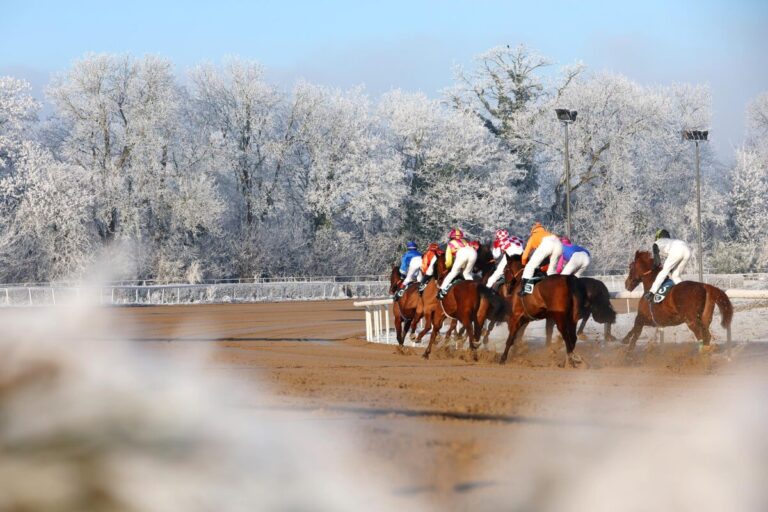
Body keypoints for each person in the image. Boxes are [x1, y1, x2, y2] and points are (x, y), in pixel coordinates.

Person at [644, 229, 692, 301]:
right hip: (687, 250)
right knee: (675, 275)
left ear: (658, 237)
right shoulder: (670, 242)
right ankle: (684, 292)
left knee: (663, 272)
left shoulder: (656, 243)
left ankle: (651, 292)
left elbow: (657, 262)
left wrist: (654, 266)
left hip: (676, 251)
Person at [520, 222, 563, 295]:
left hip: (547, 243)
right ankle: (554, 288)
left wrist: (523, 264)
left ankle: (526, 290)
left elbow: (525, 255)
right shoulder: (548, 233)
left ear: (533, 230)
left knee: (529, 267)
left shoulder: (533, 236)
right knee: (551, 270)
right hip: (559, 244)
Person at [438, 228, 477, 299]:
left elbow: (449, 260)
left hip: (462, 253)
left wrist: (448, 267)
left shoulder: (450, 244)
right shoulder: (466, 241)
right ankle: (474, 289)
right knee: (466, 273)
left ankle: (441, 291)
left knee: (453, 273)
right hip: (473, 252)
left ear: (452, 237)